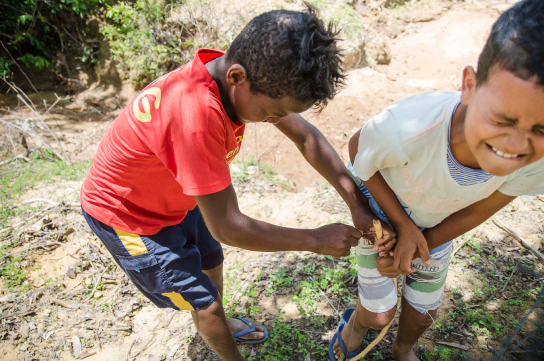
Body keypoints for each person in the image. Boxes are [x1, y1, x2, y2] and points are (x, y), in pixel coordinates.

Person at [80, 7, 386, 361]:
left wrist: (355, 202)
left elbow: (306, 138)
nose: (273, 121)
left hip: (178, 195)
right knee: (205, 304)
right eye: (271, 113)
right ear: (238, 77)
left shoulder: (234, 76)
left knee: (211, 261)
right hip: (130, 217)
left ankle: (218, 320)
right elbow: (229, 226)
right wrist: (314, 239)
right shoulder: (195, 116)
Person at [330, 0, 544, 360]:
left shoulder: (534, 161)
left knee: (424, 312)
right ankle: (356, 326)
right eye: (502, 120)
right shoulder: (410, 126)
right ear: (469, 85)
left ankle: (403, 350)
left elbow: (481, 210)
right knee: (380, 311)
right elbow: (358, 152)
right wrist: (399, 228)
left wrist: (419, 244)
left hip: (438, 228)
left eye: (541, 128)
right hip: (382, 211)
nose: (515, 145)